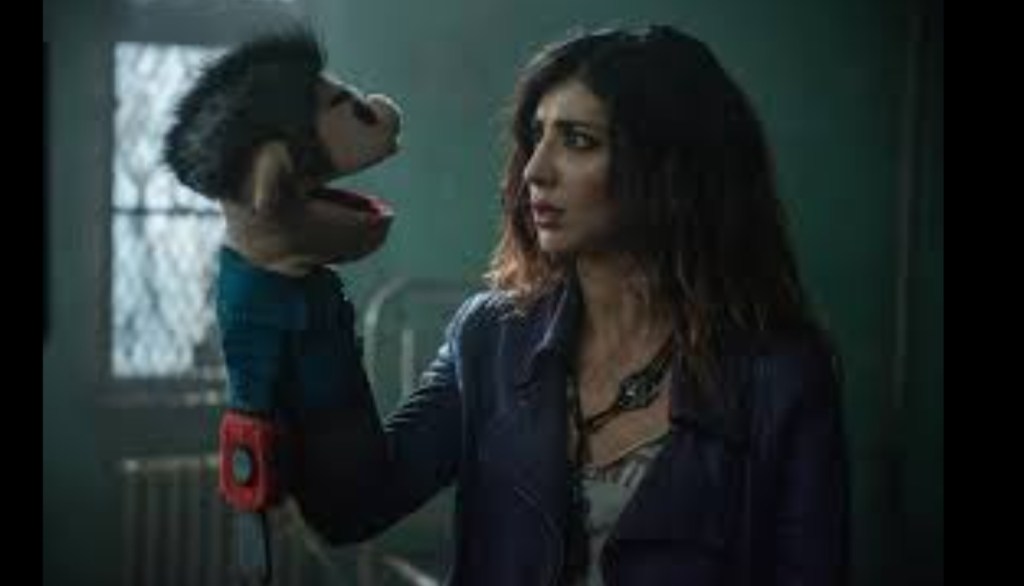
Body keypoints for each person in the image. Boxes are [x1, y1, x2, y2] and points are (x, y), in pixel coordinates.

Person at [212, 23, 849, 586]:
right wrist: (286, 283)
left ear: (671, 169)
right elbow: (352, 507)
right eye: (536, 136)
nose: (535, 170)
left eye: (579, 141)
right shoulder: (491, 337)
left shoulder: (781, 375)